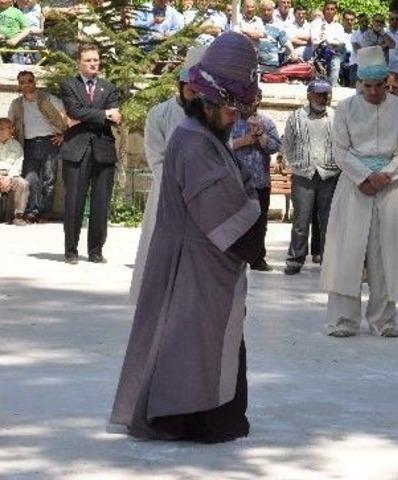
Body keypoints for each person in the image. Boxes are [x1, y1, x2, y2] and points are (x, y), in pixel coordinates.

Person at [110, 32, 263, 443]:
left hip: (201, 264)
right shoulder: (195, 142)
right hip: (197, 265)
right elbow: (225, 213)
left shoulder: (204, 134)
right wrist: (252, 213)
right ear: (209, 101)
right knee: (193, 344)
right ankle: (187, 420)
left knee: (190, 341)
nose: (235, 117)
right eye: (231, 108)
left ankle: (188, 417)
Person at [321, 46, 398, 338]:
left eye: (378, 85)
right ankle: (343, 321)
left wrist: (385, 175)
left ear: (387, 81)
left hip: (388, 188)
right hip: (353, 187)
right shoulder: (346, 109)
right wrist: (363, 176)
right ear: (360, 82)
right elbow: (340, 149)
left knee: (385, 253)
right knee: (347, 252)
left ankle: (384, 320)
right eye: (367, 86)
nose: (373, 92)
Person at [129, 46, 206, 304]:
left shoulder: (210, 115)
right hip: (167, 193)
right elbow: (156, 158)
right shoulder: (159, 113)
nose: (195, 96)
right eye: (191, 90)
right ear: (180, 84)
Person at [59, 44, 121, 265]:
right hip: (76, 150)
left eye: (96, 60)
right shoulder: (68, 85)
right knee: (74, 202)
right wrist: (103, 114)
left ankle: (95, 251)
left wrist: (86, 116)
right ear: (79, 63)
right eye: (88, 60)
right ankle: (71, 250)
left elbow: (116, 117)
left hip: (103, 151)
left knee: (101, 203)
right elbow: (74, 111)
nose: (94, 63)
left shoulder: (109, 87)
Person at [282, 79, 339, 274]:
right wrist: (292, 165)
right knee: (300, 221)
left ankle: (328, 261)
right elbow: (287, 144)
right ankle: (295, 260)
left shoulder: (336, 117)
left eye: (326, 94)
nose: (323, 98)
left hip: (329, 175)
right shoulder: (296, 117)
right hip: (303, 175)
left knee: (328, 222)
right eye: (319, 94)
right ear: (309, 95)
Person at [230, 89, 280, 271]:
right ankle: (234, 257)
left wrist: (260, 136)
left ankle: (258, 259)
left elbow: (275, 147)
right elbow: (222, 146)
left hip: (259, 182)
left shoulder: (266, 122)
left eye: (251, 98)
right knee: (235, 220)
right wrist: (244, 140)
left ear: (258, 100)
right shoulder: (230, 119)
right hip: (235, 181)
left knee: (260, 223)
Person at [7, 70, 66, 223]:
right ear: (19, 85)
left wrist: (64, 135)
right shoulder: (16, 104)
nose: (26, 85)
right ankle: (32, 211)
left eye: (29, 81)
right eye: (22, 82)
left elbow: (65, 115)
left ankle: (44, 213)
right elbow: (9, 124)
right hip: (28, 144)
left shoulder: (48, 98)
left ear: (35, 82)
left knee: (49, 178)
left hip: (50, 142)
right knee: (30, 179)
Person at [307, 1, 344, 85]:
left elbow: (341, 43)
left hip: (334, 57)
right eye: (327, 9)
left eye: (332, 9)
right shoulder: (315, 24)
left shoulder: (339, 27)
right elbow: (315, 40)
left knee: (333, 83)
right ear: (323, 11)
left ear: (335, 11)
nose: (330, 11)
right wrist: (333, 41)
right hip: (318, 57)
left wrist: (327, 40)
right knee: (319, 84)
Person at [0, 118, 28, 226]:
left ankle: (18, 217)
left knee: (23, 183)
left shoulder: (16, 145)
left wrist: (8, 178)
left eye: (4, 128)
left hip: (10, 175)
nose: (1, 131)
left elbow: (18, 164)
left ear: (11, 130)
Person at [256, 0, 294, 72]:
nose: (266, 12)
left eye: (269, 10)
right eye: (264, 10)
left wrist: (293, 51)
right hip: (256, 65)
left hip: (272, 66)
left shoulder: (278, 25)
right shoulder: (255, 22)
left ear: (273, 10)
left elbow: (285, 41)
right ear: (260, 10)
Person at [383, 12, 398, 76]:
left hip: (396, 70)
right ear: (389, 21)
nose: (395, 21)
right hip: (383, 69)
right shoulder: (383, 32)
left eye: (397, 19)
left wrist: (396, 59)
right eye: (392, 19)